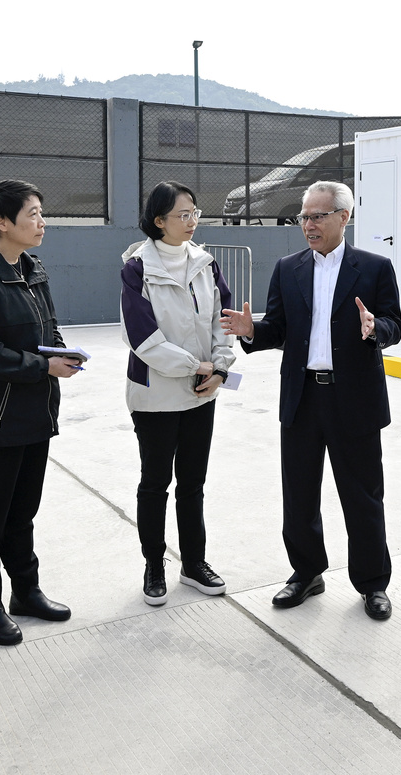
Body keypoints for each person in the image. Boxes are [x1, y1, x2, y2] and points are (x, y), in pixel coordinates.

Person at [221, 180, 401, 620]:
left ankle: (372, 584)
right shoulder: (289, 268)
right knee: (299, 494)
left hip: (353, 397)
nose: (308, 225)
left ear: (344, 217)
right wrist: (252, 331)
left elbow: (393, 325)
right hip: (302, 396)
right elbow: (278, 329)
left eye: (318, 216)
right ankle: (306, 573)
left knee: (362, 497)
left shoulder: (374, 267)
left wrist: (374, 328)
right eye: (304, 217)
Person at [0, 180, 78, 646]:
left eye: (42, 213)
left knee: (23, 512)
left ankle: (26, 591)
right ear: (2, 222)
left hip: (36, 411)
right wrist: (43, 366)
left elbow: (49, 327)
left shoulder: (31, 267)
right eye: (33, 214)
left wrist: (61, 353)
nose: (42, 223)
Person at [119, 181, 235, 606]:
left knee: (193, 482)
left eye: (194, 213)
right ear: (158, 221)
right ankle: (154, 564)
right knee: (155, 483)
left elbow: (223, 320)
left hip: (203, 392)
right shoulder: (137, 268)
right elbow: (141, 337)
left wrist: (220, 367)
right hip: (156, 395)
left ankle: (194, 563)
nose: (191, 222)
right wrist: (196, 366)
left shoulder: (205, 263)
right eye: (182, 215)